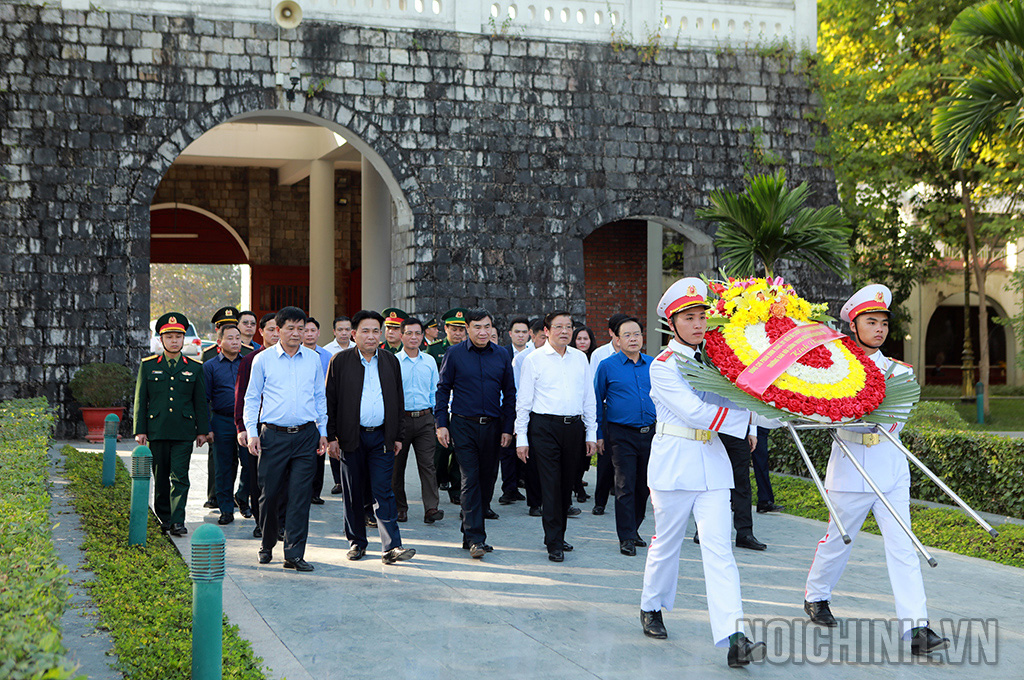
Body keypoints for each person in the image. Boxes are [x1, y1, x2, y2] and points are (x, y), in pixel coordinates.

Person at [803, 284, 948, 656]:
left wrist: (867, 417)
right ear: (854, 325)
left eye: (884, 322)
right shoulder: (833, 368)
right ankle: (817, 596)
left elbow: (897, 418)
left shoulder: (899, 371)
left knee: (903, 547)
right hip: (850, 467)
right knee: (838, 539)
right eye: (871, 321)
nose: (880, 329)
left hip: (889, 467)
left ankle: (917, 627)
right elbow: (823, 412)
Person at [637, 278, 766, 668]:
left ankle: (734, 635)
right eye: (688, 318)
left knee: (719, 550)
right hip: (675, 463)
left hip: (711, 464)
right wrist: (744, 418)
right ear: (671, 323)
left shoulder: (718, 361)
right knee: (667, 542)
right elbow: (695, 412)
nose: (698, 324)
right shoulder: (663, 365)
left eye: (701, 317)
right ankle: (651, 605)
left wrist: (777, 405)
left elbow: (742, 398)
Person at [326, 310, 416, 565]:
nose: (371, 336)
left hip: (381, 438)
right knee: (353, 493)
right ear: (354, 334)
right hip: (350, 438)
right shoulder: (340, 361)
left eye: (376, 330)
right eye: (365, 331)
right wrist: (331, 436)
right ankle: (357, 542)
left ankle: (392, 546)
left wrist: (397, 435)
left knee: (383, 491)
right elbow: (330, 401)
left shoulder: (389, 361)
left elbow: (398, 400)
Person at [243, 306, 328, 572]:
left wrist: (323, 431)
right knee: (269, 494)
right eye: (290, 328)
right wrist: (252, 432)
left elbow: (319, 396)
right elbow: (252, 398)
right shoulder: (263, 359)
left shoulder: (313, 359)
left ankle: (293, 553)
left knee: (300, 496)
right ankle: (267, 544)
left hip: (306, 436)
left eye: (300, 328)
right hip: (273, 436)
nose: (296, 333)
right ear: (278, 330)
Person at [515, 311, 597, 563]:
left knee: (566, 484)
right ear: (547, 331)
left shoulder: (581, 358)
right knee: (550, 484)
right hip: (544, 427)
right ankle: (554, 542)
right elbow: (524, 401)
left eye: (568, 327)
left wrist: (591, 433)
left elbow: (588, 398)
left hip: (573, 427)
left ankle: (557, 534)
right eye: (558, 327)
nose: (565, 331)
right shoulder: (534, 359)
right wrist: (521, 438)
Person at [435, 309, 516, 558]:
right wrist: (441, 424)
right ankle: (477, 539)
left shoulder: (502, 355)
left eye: (487, 327)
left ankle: (468, 534)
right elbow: (443, 389)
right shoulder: (455, 354)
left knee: (487, 480)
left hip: (493, 426)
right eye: (477, 327)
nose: (483, 332)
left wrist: (507, 428)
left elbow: (510, 394)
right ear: (468, 328)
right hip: (463, 424)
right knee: (470, 479)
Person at [133, 312, 211, 537]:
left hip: (183, 431)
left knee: (180, 477)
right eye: (169, 337)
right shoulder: (148, 366)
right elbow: (141, 400)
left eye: (179, 336)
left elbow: (200, 402)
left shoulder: (195, 367)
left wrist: (202, 431)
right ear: (161, 340)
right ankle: (164, 517)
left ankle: (178, 520)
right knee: (161, 476)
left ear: (184, 339)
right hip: (157, 430)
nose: (174, 341)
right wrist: (140, 430)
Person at [593, 316, 656, 556]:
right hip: (620, 434)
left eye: (637, 334)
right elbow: (597, 400)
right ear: (617, 340)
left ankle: (635, 528)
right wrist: (598, 433)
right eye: (627, 335)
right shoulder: (607, 366)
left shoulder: (653, 364)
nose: (633, 339)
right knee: (624, 484)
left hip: (649, 433)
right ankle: (626, 537)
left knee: (644, 486)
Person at [392, 316, 444, 524]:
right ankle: (399, 508)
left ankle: (431, 508)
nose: (413, 337)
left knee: (428, 465)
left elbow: (435, 391)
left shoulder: (430, 361)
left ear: (423, 337)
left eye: (417, 333)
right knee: (397, 466)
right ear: (401, 335)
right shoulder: (393, 361)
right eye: (409, 333)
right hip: (400, 421)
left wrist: (437, 420)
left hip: (424, 419)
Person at [234, 313, 282, 539]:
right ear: (261, 332)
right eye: (270, 330)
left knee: (282, 479)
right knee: (257, 477)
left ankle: (279, 522)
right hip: (257, 427)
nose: (275, 334)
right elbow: (242, 396)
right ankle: (259, 521)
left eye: (277, 329)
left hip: (282, 427)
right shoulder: (250, 359)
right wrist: (242, 427)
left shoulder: (290, 358)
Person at [203, 322, 250, 525]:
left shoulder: (248, 362)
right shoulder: (210, 366)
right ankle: (226, 509)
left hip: (246, 421)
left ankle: (242, 495)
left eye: (237, 338)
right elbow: (204, 400)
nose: (234, 342)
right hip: (221, 420)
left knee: (249, 464)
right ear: (219, 342)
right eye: (230, 338)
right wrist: (207, 428)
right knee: (223, 467)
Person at [588, 314, 628, 512]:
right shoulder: (600, 355)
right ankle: (600, 502)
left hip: (627, 414)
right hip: (605, 410)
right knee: (605, 459)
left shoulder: (635, 354)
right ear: (612, 333)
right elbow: (595, 390)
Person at [427, 308, 468, 503]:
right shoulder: (435, 349)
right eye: (454, 329)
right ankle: (437, 482)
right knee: (440, 449)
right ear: (446, 328)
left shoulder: (470, 349)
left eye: (462, 329)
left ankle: (456, 488)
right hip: (442, 404)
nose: (458, 333)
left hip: (462, 406)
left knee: (460, 451)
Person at [512, 318, 547, 516]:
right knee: (533, 463)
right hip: (532, 414)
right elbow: (518, 391)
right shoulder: (523, 358)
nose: (545, 340)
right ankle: (535, 503)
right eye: (542, 337)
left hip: (553, 415)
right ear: (532, 336)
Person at [301, 316, 334, 505]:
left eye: (313, 330)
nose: (309, 334)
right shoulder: (296, 355)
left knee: (319, 452)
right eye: (306, 330)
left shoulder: (327, 356)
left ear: (318, 333)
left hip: (321, 410)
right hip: (302, 410)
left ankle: (315, 492)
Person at [570, 324, 597, 505]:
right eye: (578, 338)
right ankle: (577, 487)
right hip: (573, 413)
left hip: (589, 411)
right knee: (576, 456)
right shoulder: (571, 358)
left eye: (585, 339)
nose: (582, 342)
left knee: (586, 457)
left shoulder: (595, 358)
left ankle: (577, 483)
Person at [752, 429, 784, 514]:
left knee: (762, 463)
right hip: (741, 424)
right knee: (738, 464)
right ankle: (734, 500)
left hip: (759, 426)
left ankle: (764, 501)